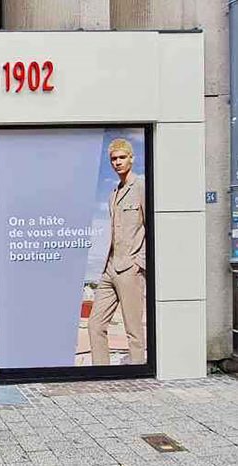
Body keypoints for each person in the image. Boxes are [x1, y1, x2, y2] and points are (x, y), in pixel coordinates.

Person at [88, 138, 146, 365]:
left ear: (132, 158)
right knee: (95, 324)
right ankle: (101, 372)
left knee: (133, 329)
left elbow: (152, 227)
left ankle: (139, 371)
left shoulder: (141, 187)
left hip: (130, 268)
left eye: (122, 157)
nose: (118, 162)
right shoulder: (113, 193)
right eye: (114, 159)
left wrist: (139, 263)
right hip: (109, 268)